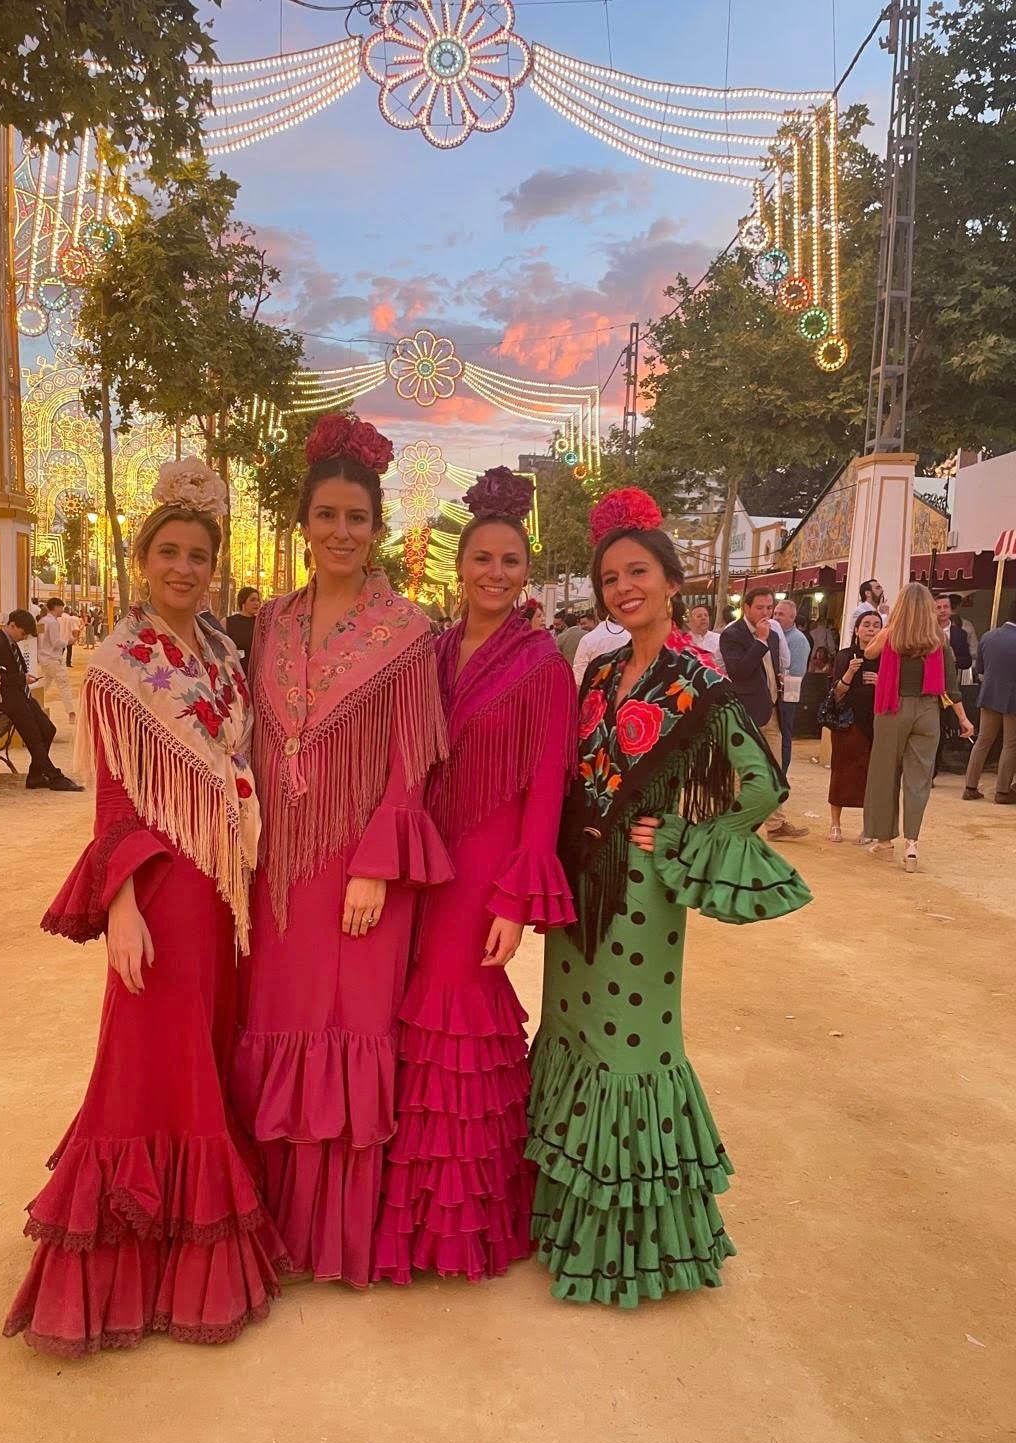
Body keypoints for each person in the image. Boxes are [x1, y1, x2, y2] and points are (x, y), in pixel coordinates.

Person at [5, 458, 288, 1357]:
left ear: (214, 563)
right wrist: (121, 905)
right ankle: (123, 1270)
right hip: (163, 892)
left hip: (225, 895)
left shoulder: (222, 652)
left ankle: (187, 1256)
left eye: (197, 554)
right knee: (147, 1065)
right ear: (141, 559)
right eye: (168, 552)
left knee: (203, 1053)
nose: (183, 568)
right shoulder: (120, 662)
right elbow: (115, 797)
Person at [527, 487, 811, 1308]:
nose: (624, 588)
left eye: (639, 572)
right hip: (578, 893)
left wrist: (684, 839)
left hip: (643, 900)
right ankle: (561, 1221)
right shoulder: (603, 672)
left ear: (672, 581)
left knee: (630, 1055)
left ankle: (633, 1248)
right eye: (611, 577)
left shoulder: (699, 682)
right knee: (572, 1037)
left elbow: (764, 786)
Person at [229, 413, 451, 1290]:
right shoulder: (271, 623)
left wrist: (372, 865)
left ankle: (336, 1240)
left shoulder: (407, 630)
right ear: (304, 522)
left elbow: (414, 758)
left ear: (378, 527)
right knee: (276, 1021)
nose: (341, 534)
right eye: (326, 516)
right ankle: (274, 1226)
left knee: (350, 1029)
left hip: (361, 868)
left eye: (357, 518)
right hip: (276, 866)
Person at [374, 468, 575, 1286]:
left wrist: (513, 900)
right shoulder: (431, 652)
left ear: (527, 572)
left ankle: (462, 1223)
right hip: (425, 863)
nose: (496, 573)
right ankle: (420, 1210)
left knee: (461, 1023)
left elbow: (547, 786)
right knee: (417, 1022)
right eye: (482, 559)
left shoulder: (542, 665)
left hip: (485, 870)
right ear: (459, 567)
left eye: (511, 562)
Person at [861, 583, 973, 870]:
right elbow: (951, 686)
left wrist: (887, 626)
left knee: (884, 773)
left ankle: (884, 840)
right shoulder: (938, 640)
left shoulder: (891, 635)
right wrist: (962, 718)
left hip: (892, 708)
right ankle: (911, 845)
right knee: (918, 779)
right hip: (928, 711)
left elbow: (869, 653)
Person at [719, 586, 809, 841]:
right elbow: (738, 671)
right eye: (760, 607)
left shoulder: (772, 632)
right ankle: (739, 825)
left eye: (769, 608)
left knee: (775, 768)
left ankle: (776, 824)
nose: (765, 612)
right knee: (744, 770)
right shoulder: (732, 634)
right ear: (746, 608)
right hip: (744, 712)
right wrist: (759, 641)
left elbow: (773, 665)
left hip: (771, 707)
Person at [0, 610, 83, 791]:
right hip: (8, 699)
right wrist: (20, 679)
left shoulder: (10, 642)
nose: (24, 638)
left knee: (48, 729)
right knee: (33, 737)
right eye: (23, 633)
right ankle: (53, 775)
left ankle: (35, 775)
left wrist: (23, 679)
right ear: (12, 625)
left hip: (22, 695)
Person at [826, 610, 882, 842]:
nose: (871, 629)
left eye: (876, 625)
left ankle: (868, 826)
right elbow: (837, 694)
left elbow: (896, 692)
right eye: (866, 624)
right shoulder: (844, 655)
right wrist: (850, 672)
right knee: (842, 772)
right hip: (848, 722)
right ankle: (835, 824)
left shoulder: (886, 657)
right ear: (857, 629)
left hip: (876, 722)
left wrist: (881, 683)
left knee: (872, 776)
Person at [962, 615, 1016, 804]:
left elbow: (980, 669)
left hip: (989, 694)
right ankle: (1002, 790)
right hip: (1013, 698)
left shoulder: (988, 636)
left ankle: (970, 786)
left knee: (983, 741)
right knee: (1011, 745)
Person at [773, 599, 810, 777]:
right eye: (776, 613)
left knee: (784, 736)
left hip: (787, 696)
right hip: (772, 694)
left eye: (781, 614)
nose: (776, 617)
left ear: (792, 618)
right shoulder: (772, 634)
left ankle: (782, 773)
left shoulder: (798, 640)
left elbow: (796, 674)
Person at [35, 597, 77, 723]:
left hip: (44, 657)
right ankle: (71, 713)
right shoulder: (52, 622)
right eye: (61, 608)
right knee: (63, 685)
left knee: (45, 683)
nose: (62, 610)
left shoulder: (43, 620)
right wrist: (68, 642)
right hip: (53, 658)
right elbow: (55, 642)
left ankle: (35, 703)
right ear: (56, 607)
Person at [572, 608, 631, 687]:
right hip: (625, 685)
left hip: (596, 687)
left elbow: (579, 673)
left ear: (596, 615)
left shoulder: (588, 639)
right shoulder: (628, 635)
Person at [224, 584, 261, 674]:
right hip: (235, 670)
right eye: (252, 600)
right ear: (243, 602)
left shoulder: (260, 623)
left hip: (255, 671)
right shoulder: (227, 622)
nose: (257, 603)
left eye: (258, 600)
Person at [686, 603, 724, 670]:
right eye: (699, 616)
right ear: (690, 621)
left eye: (706, 615)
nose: (703, 618)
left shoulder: (719, 638)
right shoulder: (684, 640)